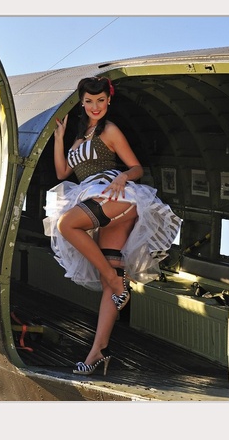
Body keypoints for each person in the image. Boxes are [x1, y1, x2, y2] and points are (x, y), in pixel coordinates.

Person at [43, 76, 182, 376]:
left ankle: (117, 284)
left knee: (67, 225)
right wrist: (59, 138)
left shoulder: (110, 130)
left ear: (109, 101)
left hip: (115, 194)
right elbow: (62, 172)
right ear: (82, 102)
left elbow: (136, 167)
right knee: (111, 279)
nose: (96, 106)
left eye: (101, 101)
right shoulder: (79, 137)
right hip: (90, 193)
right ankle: (98, 352)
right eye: (90, 101)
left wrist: (123, 177)